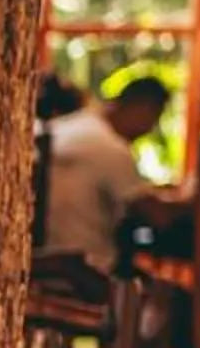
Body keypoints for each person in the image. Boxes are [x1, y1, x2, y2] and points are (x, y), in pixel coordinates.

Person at [41, 74, 185, 270]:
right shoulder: (110, 147)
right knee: (177, 298)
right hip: (86, 269)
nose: (151, 129)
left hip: (44, 263)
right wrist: (195, 200)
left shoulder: (67, 127)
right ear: (142, 108)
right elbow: (157, 217)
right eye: (155, 117)